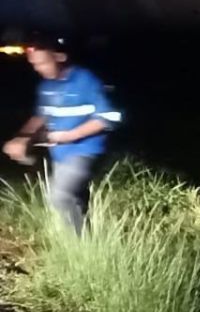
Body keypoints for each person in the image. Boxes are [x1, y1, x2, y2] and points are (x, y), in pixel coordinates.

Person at [2, 38, 121, 234]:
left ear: (59, 56)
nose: (38, 69)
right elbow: (41, 116)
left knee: (60, 196)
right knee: (77, 202)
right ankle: (88, 244)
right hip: (60, 154)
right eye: (34, 65)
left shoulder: (86, 80)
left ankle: (79, 248)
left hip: (86, 150)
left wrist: (71, 135)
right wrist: (23, 138)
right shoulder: (46, 86)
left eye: (43, 63)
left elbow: (108, 117)